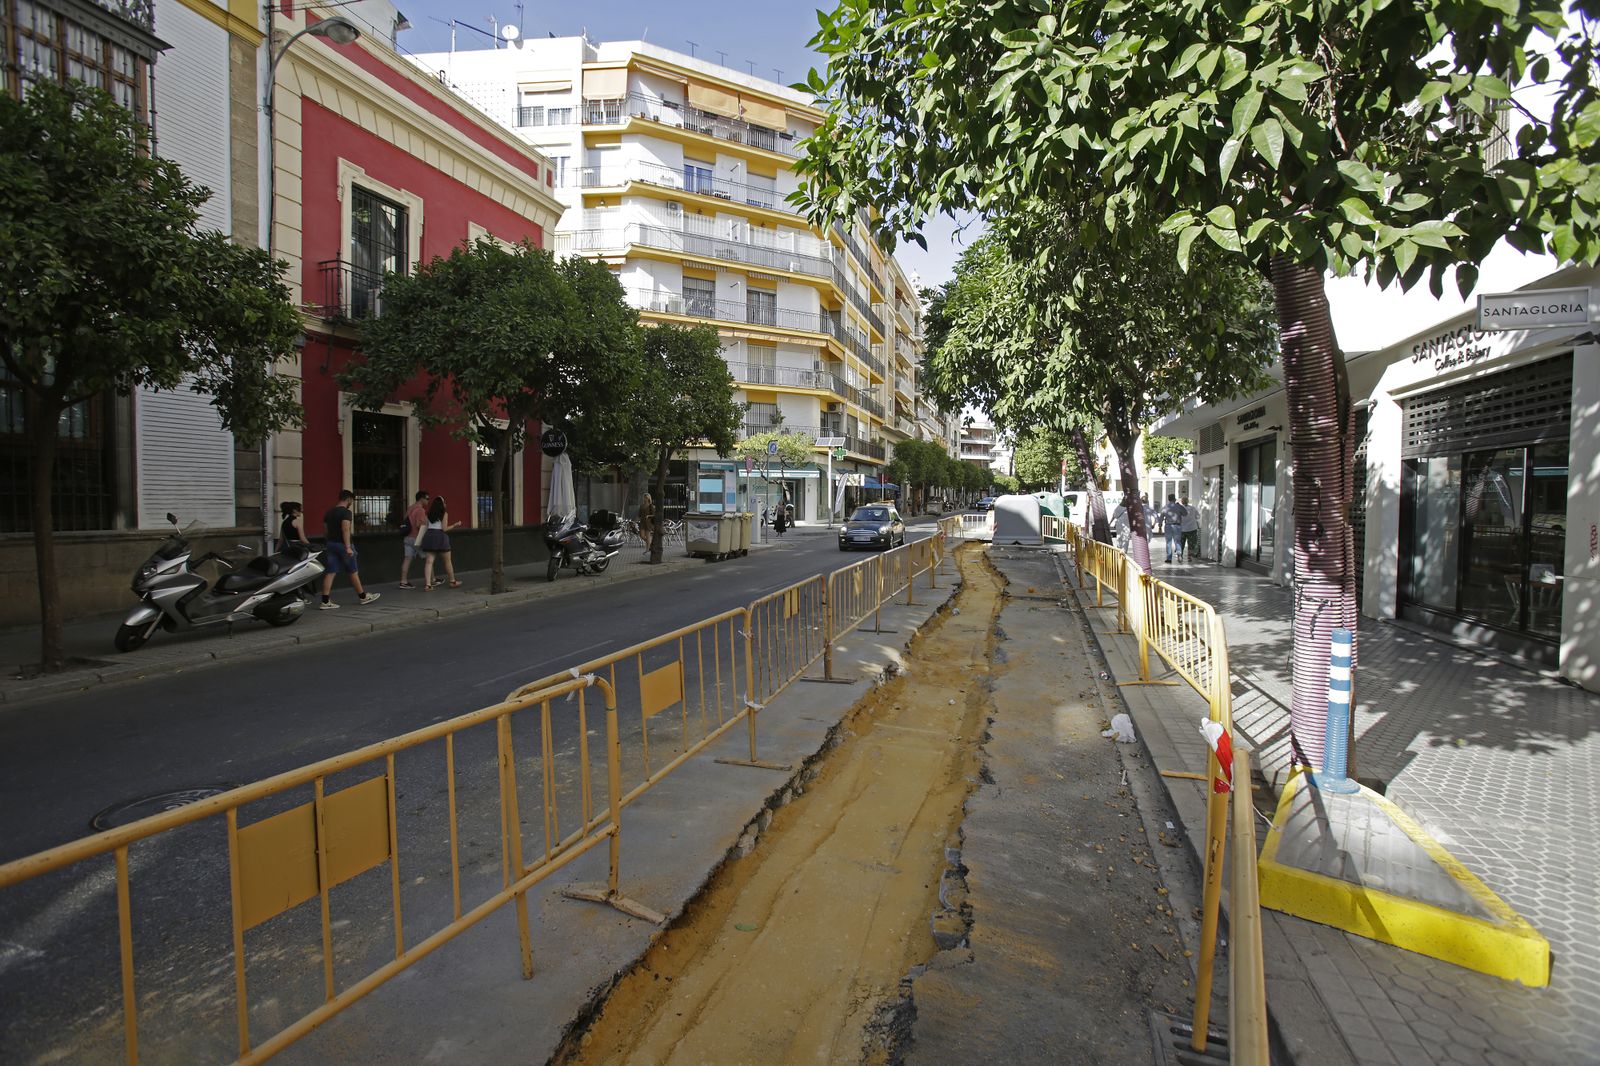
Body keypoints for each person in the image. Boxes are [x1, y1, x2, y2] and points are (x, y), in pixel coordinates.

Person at [320, 490, 381, 609]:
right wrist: (348, 547)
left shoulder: (329, 513)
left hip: (331, 544)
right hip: (343, 545)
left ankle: (325, 601)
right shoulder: (346, 513)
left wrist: (329, 542)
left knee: (330, 572)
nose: (351, 503)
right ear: (348, 499)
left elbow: (325, 531)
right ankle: (363, 597)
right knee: (353, 571)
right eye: (351, 500)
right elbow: (345, 530)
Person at [414, 494, 463, 590]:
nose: (445, 504)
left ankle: (428, 584)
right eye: (444, 502)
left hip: (429, 536)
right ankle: (452, 581)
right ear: (442, 504)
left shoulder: (428, 514)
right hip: (440, 537)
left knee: (429, 562)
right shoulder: (444, 513)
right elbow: (444, 529)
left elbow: (424, 525)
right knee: (447, 561)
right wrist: (455, 525)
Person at [398, 489, 431, 589]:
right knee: (429, 559)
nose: (428, 501)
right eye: (427, 498)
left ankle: (403, 581)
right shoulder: (421, 510)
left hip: (407, 537)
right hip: (416, 538)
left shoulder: (410, 508)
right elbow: (419, 525)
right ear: (421, 499)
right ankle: (431, 580)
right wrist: (425, 525)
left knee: (407, 559)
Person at [1161, 493, 1188, 564]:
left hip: (1168, 526)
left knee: (1168, 542)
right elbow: (1185, 514)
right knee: (1178, 541)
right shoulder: (1179, 506)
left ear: (1168, 499)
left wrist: (1160, 524)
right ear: (1174, 499)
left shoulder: (1165, 507)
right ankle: (1179, 554)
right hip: (1177, 526)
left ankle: (1169, 558)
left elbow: (1161, 517)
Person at [1180, 492, 1201, 563]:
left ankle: (1180, 556)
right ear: (1188, 501)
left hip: (1182, 529)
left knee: (1181, 543)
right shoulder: (1193, 508)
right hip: (1192, 528)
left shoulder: (1179, 509)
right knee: (1191, 543)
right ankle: (1189, 556)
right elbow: (1198, 516)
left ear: (1181, 502)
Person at [638, 492, 655, 559]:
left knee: (648, 536)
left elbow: (654, 514)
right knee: (641, 535)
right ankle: (650, 545)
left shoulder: (651, 506)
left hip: (648, 523)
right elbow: (639, 514)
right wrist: (639, 517)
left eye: (646, 497)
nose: (645, 499)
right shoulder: (641, 505)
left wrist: (648, 516)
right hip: (642, 522)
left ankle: (647, 550)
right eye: (644, 497)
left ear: (648, 498)